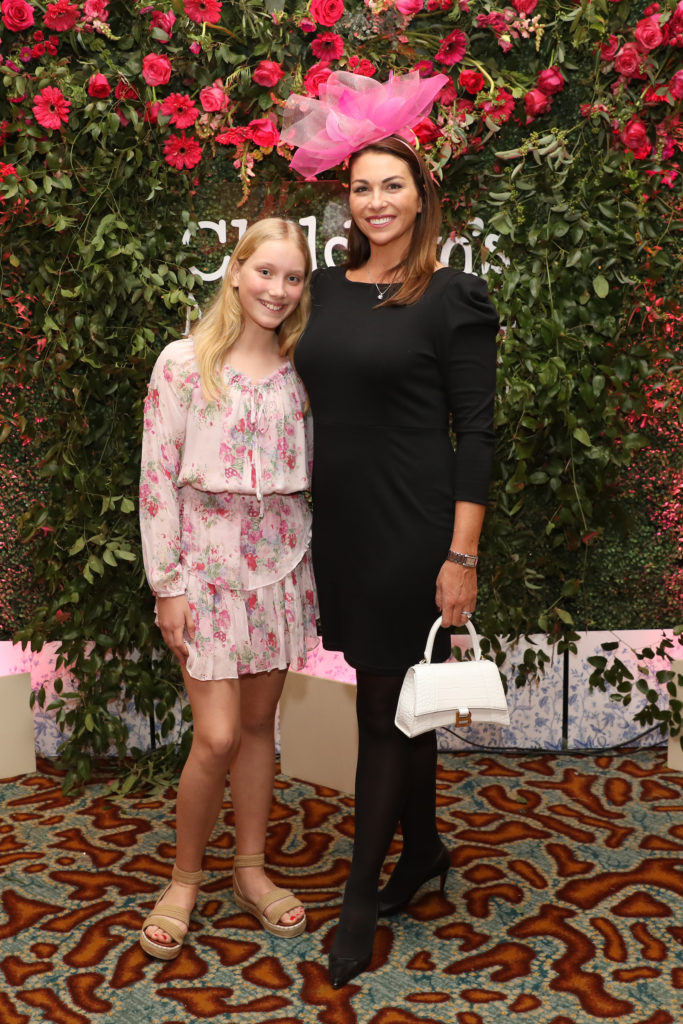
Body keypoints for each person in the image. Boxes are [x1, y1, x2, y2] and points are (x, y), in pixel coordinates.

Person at [282, 73, 500, 988]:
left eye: (393, 185)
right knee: (403, 703)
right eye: (362, 187)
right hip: (340, 527)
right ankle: (426, 852)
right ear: (347, 199)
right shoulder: (322, 292)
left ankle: (360, 900)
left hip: (417, 530)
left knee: (382, 706)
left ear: (421, 197)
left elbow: (478, 431)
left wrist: (461, 556)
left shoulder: (452, 297)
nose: (376, 201)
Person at [138, 218, 317, 960]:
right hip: (204, 570)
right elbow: (155, 479)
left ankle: (249, 870)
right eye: (265, 272)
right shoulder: (182, 363)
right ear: (235, 270)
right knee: (213, 735)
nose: (277, 290)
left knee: (255, 728)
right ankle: (184, 878)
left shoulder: (304, 368)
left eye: (294, 277)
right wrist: (166, 584)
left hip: (280, 564)